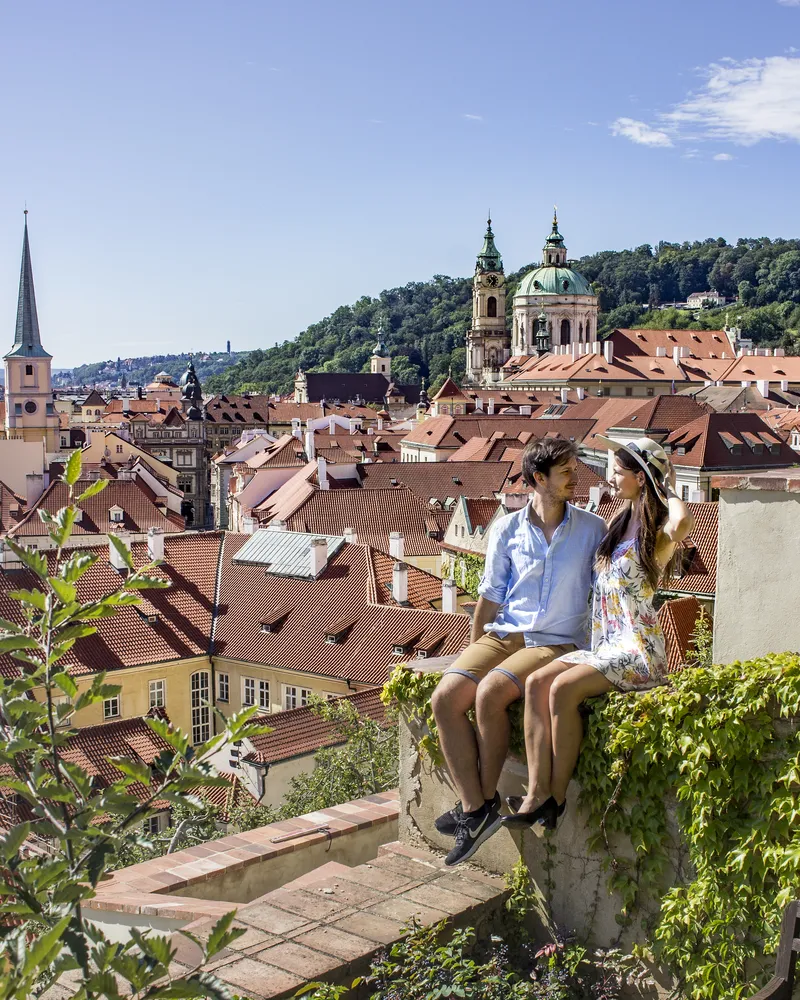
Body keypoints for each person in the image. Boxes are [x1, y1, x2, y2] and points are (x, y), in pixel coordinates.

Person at [502, 436, 696, 833]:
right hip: (605, 646)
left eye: (619, 472)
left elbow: (681, 524)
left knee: (561, 690)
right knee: (538, 683)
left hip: (637, 650)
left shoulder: (656, 532)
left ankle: (554, 799)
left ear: (641, 479)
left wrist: (668, 488)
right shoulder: (618, 524)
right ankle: (535, 793)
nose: (609, 478)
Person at [430, 437, 606, 866]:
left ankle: (476, 811)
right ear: (537, 479)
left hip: (556, 640)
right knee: (446, 698)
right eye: (566, 472)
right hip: (505, 633)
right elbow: (490, 597)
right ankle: (477, 806)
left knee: (491, 692)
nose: (575, 478)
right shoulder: (507, 528)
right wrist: (473, 653)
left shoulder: (591, 529)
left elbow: (605, 596)